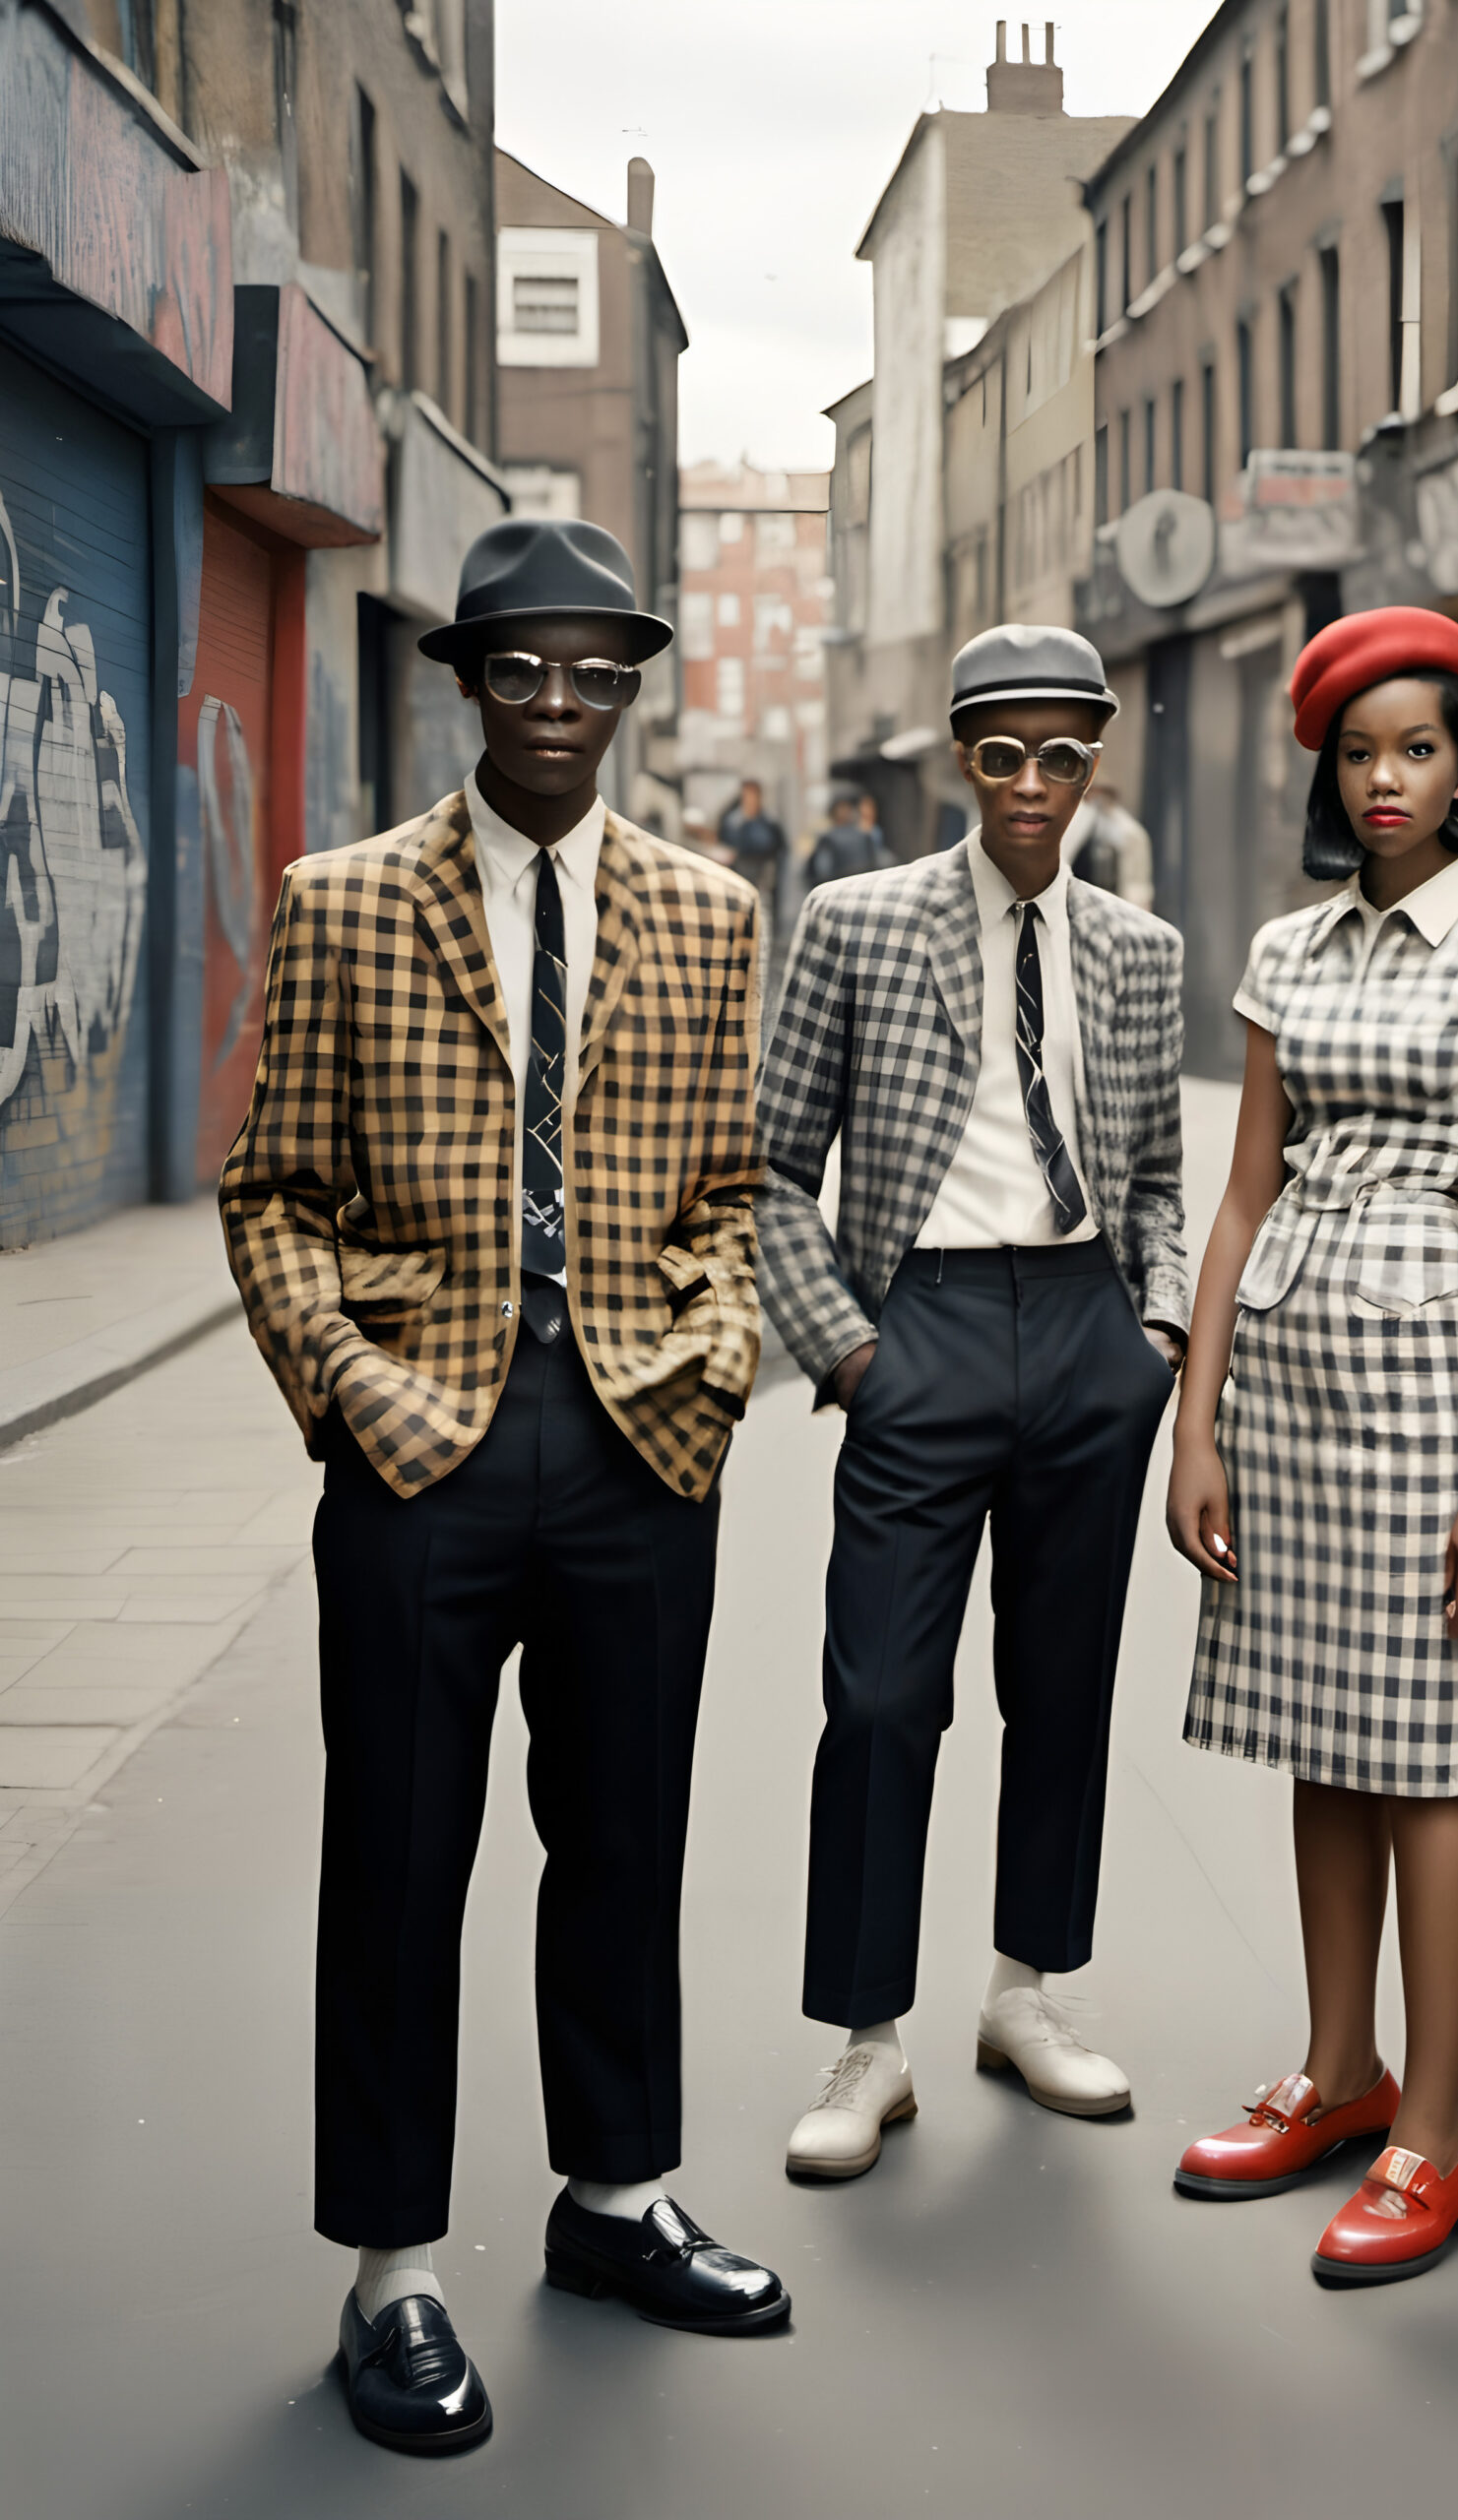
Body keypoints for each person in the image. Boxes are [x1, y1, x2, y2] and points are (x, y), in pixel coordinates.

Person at [220, 519, 787, 2459]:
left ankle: (615, 2195)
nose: (559, 702)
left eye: (594, 671)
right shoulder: (344, 901)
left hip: (637, 1448)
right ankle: (390, 2268)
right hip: (419, 1456)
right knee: (398, 1856)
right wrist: (354, 1390)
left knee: (623, 1837)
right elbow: (272, 1190)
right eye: (522, 668)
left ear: (632, 689)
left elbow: (732, 1191)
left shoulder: (711, 913)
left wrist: (712, 1370)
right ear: (469, 681)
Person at [1168, 609, 1458, 2286]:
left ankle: (1437, 2128)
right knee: (1318, 1736)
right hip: (1283, 1367)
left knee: (1426, 1751)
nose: (1391, 777)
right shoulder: (1290, 951)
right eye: (1362, 752)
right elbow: (1246, 1187)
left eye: (1420, 748)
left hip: (1425, 1366)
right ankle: (1341, 2075)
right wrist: (1194, 1426)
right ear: (1332, 774)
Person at [758, 624, 1189, 2179]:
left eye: (1060, 753)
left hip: (1086, 1334)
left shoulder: (1141, 951)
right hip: (920, 1323)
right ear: (958, 758)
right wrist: (851, 1352)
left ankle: (1025, 1993)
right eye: (999, 751)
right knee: (881, 1694)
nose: (1030, 782)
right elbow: (771, 1167)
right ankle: (865, 2041)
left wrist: (1152, 1328)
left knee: (1062, 1687)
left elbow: (1153, 1179)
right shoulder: (857, 922)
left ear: (1095, 762)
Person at [804, 779, 895, 888]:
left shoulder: (828, 838)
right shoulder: (864, 835)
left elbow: (823, 872)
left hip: (839, 892)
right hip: (862, 889)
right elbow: (883, 863)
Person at [720, 778, 788, 915]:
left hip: (763, 877)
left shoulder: (769, 822)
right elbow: (724, 842)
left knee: (763, 914)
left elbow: (776, 846)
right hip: (738, 874)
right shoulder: (733, 821)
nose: (750, 800)